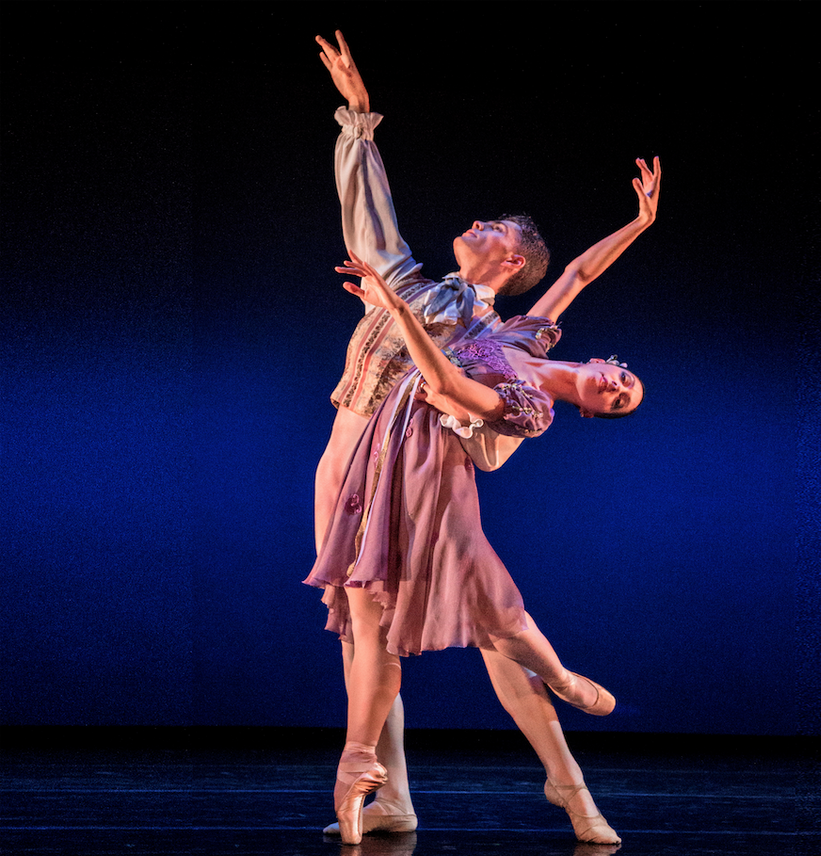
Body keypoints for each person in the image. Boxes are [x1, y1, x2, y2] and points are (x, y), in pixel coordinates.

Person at [310, 31, 660, 845]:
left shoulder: (463, 315)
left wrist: (360, 124)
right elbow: (574, 276)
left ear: (508, 259)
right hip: (350, 460)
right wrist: (638, 224)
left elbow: (385, 249)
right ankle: (392, 792)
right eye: (621, 381)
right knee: (367, 628)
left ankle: (569, 783)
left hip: (416, 473)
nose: (475, 221)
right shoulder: (506, 328)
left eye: (492, 225)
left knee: (492, 631)